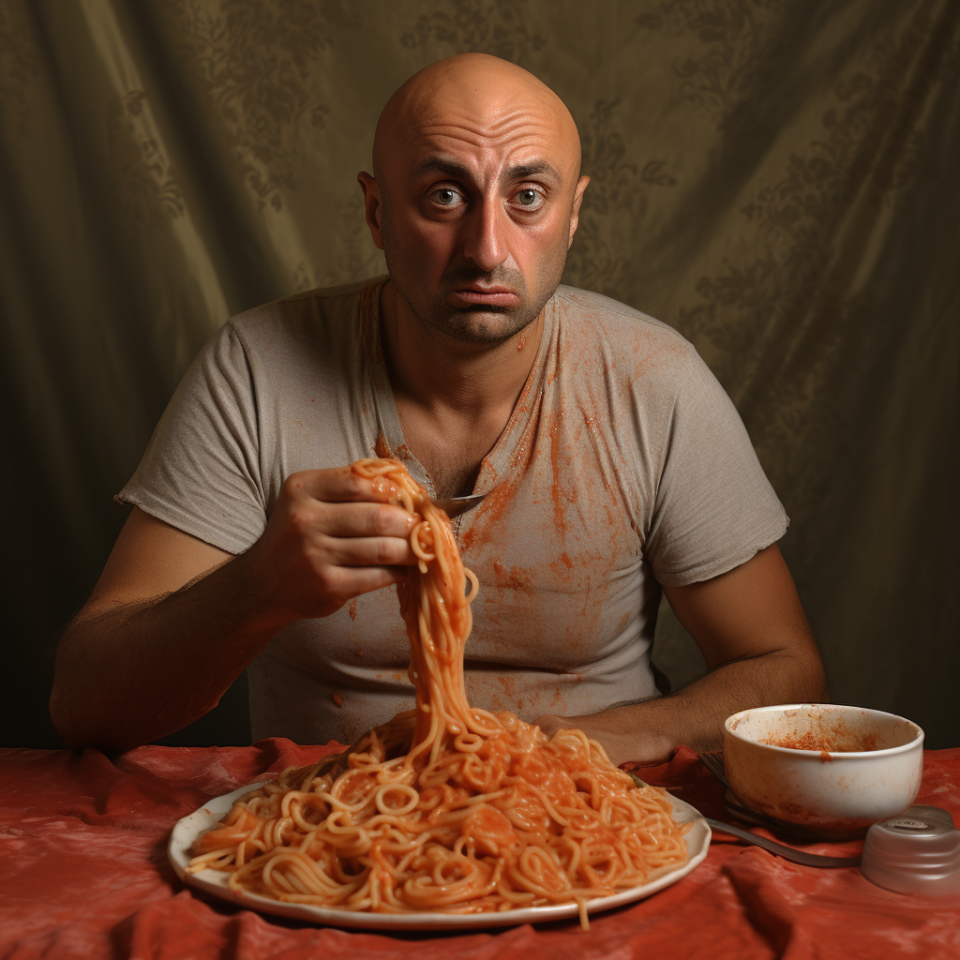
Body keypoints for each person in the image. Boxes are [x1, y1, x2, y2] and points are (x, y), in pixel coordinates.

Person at [50, 54, 827, 762]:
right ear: (377, 210)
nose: (487, 248)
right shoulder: (258, 368)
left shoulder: (653, 380)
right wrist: (257, 588)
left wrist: (615, 736)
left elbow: (786, 673)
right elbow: (86, 707)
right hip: (331, 847)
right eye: (444, 195)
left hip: (590, 820)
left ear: (575, 212)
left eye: (528, 196)